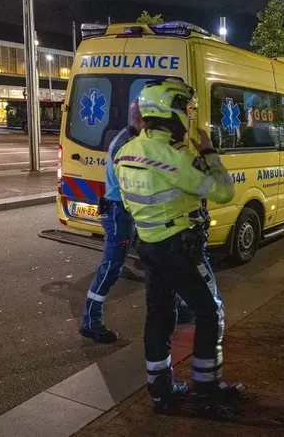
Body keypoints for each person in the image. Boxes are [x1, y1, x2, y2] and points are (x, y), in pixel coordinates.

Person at [114, 78, 242, 415]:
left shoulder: (125, 152)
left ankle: (161, 392)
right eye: (185, 108)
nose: (187, 115)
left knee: (159, 317)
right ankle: (206, 392)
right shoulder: (174, 155)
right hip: (179, 247)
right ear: (170, 111)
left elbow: (129, 203)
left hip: (149, 247)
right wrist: (210, 152)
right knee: (209, 312)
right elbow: (223, 192)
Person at [78, 101, 142, 343]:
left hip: (121, 210)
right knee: (112, 267)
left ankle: (180, 306)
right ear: (141, 119)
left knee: (155, 260)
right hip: (119, 212)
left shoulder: (126, 137)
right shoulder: (128, 143)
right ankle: (90, 321)